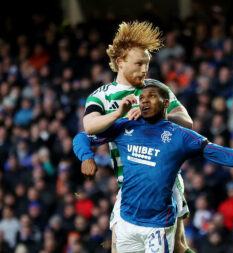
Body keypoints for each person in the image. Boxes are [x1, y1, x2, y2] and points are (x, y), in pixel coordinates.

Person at [73, 84, 233, 253]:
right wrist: (86, 157)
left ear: (165, 102)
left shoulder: (182, 137)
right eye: (141, 98)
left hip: (157, 226)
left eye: (151, 96)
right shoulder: (126, 127)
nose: (144, 101)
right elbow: (82, 138)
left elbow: (226, 154)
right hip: (126, 220)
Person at [81, 21, 193, 253]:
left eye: (147, 64)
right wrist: (119, 114)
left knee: (177, 247)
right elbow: (90, 126)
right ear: (120, 62)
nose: (145, 70)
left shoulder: (155, 89)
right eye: (139, 63)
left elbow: (186, 120)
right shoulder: (100, 97)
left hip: (162, 181)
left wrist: (150, 118)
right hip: (128, 183)